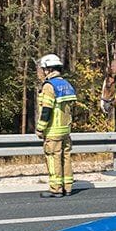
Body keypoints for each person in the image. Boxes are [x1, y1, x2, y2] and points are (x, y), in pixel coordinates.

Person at [35, 54, 77, 198]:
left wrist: (40, 128)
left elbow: (46, 109)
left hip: (53, 131)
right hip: (65, 130)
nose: (40, 72)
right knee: (65, 157)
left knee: (53, 158)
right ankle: (68, 187)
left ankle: (56, 188)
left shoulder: (49, 86)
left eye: (42, 69)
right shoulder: (65, 84)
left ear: (49, 69)